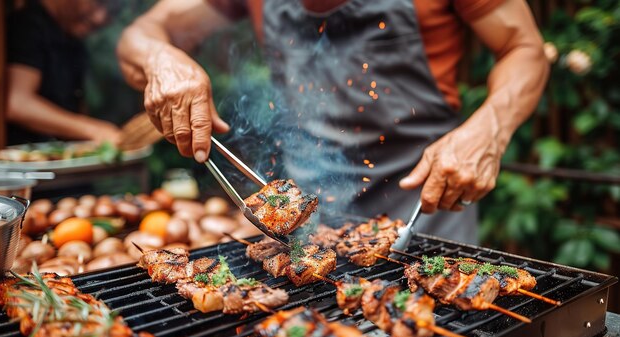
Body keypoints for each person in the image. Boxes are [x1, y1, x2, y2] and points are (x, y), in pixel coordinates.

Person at [117, 0, 549, 243]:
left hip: (428, 205)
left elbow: (522, 46)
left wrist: (491, 125)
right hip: (308, 218)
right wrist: (160, 58)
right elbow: (145, 31)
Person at [5, 0, 121, 145]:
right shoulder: (28, 26)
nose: (100, 17)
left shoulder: (73, 38)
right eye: (97, 2)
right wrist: (93, 130)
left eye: (110, 10)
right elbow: (17, 103)